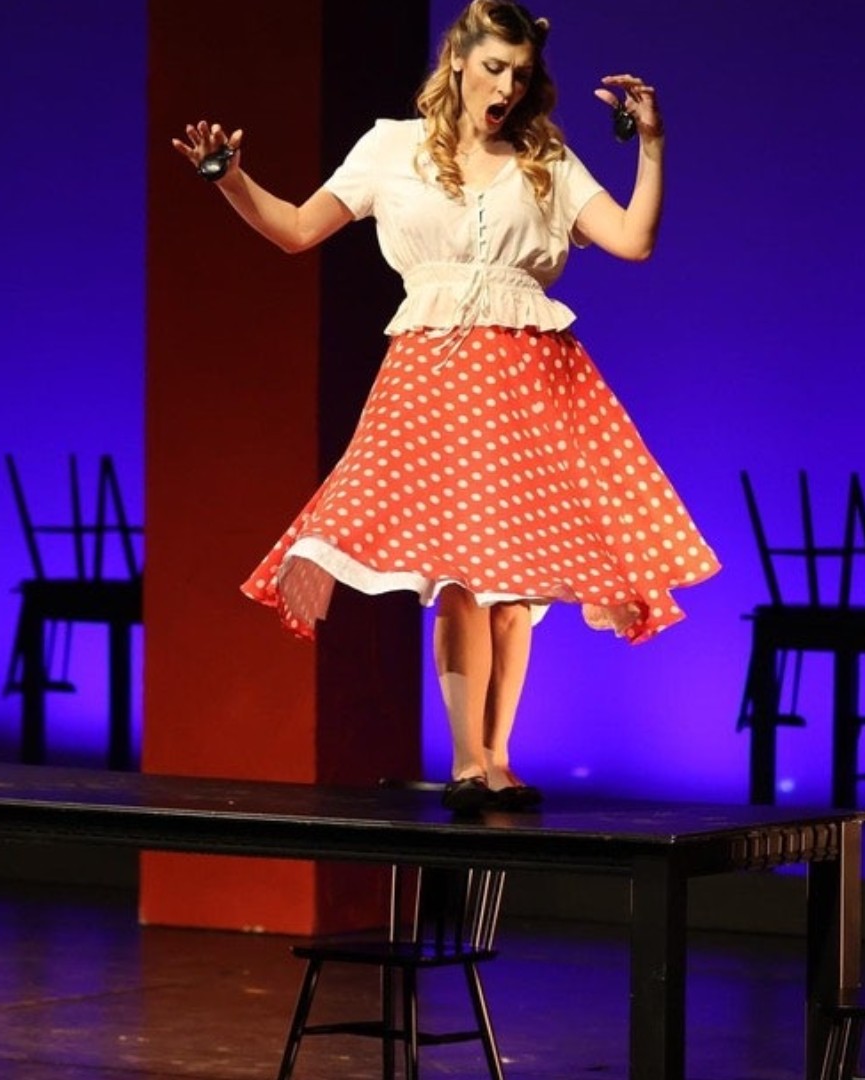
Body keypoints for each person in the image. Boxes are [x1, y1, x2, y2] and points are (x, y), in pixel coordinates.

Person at [172, 0, 719, 813]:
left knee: (515, 586)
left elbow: (632, 241)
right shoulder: (391, 148)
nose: (505, 87)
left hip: (529, 382)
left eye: (519, 75)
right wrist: (228, 177)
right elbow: (294, 229)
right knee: (460, 576)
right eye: (493, 68)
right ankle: (467, 759)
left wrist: (652, 143)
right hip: (435, 379)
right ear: (457, 61)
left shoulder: (545, 158)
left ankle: (499, 759)